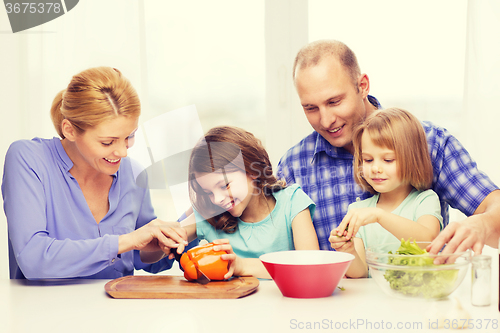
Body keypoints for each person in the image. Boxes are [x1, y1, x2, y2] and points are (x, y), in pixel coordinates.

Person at [277, 39, 500, 258]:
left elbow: (493, 207)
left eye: (334, 102)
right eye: (310, 108)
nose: (325, 121)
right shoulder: (293, 165)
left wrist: (484, 223)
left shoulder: (430, 142)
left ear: (362, 86)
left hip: (417, 291)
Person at [2, 66, 187, 279]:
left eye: (129, 136)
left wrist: (186, 226)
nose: (122, 152)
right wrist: (126, 241)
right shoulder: (29, 159)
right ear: (69, 130)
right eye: (108, 142)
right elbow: (34, 259)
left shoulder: (133, 174)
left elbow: (140, 257)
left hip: (120, 310)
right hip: (46, 311)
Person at [176, 126, 319, 279]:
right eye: (208, 192)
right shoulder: (211, 213)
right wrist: (160, 236)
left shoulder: (292, 202)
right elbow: (162, 243)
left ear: (253, 171)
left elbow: (311, 267)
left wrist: (242, 266)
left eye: (224, 185)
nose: (217, 199)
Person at [329, 108, 443, 277]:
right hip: (375, 300)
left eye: (388, 160)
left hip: (416, 298)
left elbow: (427, 242)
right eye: (368, 160)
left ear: (412, 159)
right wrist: (348, 250)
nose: (375, 168)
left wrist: (380, 216)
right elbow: (360, 274)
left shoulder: (425, 200)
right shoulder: (358, 211)